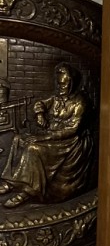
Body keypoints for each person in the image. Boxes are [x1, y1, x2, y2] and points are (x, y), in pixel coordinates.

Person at [0, 63, 93, 207]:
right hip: (50, 133)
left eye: (63, 85)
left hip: (67, 141)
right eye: (59, 84)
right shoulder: (56, 98)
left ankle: (27, 192)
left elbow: (72, 130)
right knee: (18, 139)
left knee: (33, 149)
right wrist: (40, 115)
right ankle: (11, 182)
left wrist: (43, 137)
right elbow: (40, 103)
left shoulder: (79, 103)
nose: (60, 87)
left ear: (72, 83)